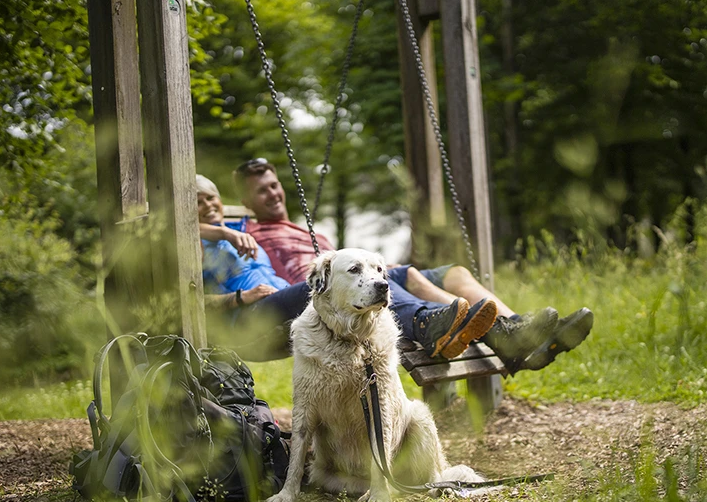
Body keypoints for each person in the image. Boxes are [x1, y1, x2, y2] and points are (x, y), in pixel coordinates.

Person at [229, 158, 594, 374]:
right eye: (262, 191)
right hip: (314, 300)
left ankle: (515, 329)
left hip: (352, 284)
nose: (274, 194)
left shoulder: (305, 231)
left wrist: (380, 267)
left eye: (275, 185)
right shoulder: (246, 232)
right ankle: (432, 323)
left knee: (449, 272)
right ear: (246, 200)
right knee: (390, 281)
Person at [195, 174, 497, 361]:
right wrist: (238, 298)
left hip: (281, 300)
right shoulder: (192, 245)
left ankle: (472, 326)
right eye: (197, 203)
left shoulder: (241, 228)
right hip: (249, 317)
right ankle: (425, 323)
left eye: (212, 198)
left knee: (394, 273)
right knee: (317, 288)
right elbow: (185, 301)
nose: (208, 206)